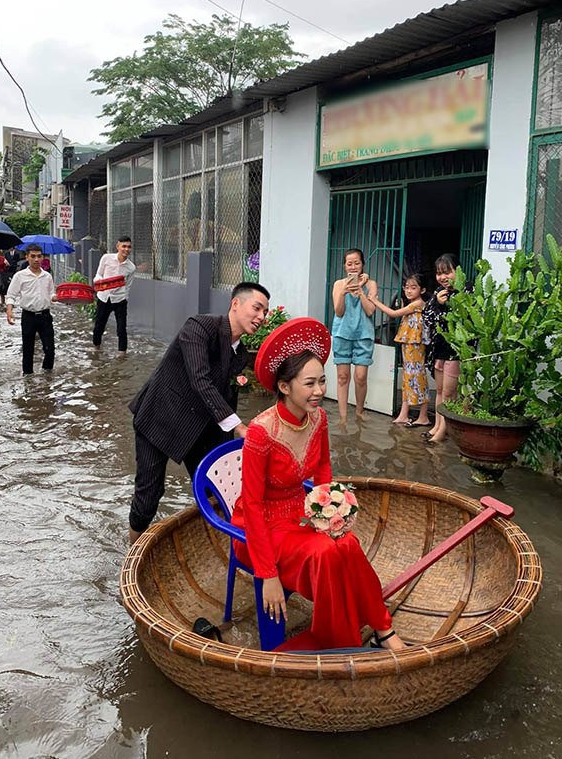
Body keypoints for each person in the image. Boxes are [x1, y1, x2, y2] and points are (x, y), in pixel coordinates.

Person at [231, 318, 405, 652]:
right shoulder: (260, 432)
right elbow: (251, 504)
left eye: (322, 381)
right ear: (285, 387)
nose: (319, 391)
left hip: (302, 511)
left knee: (347, 543)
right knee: (326, 552)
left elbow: (323, 468)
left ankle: (382, 628)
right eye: (309, 384)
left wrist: (329, 510)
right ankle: (338, 640)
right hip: (262, 527)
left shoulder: (319, 419)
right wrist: (267, 575)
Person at [128, 281, 270, 544]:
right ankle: (131, 551)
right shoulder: (200, 327)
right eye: (257, 308)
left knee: (216, 489)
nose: (261, 317)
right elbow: (200, 380)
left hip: (199, 427)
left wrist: (231, 450)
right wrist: (240, 427)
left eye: (265, 312)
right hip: (159, 418)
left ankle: (221, 549)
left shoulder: (239, 355)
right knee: (149, 495)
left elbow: (227, 399)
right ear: (236, 304)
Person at [370, 273, 430, 427]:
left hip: (415, 345)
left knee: (418, 378)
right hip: (409, 344)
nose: (408, 290)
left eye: (413, 287)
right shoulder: (412, 304)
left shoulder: (417, 304)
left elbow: (393, 314)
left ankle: (423, 415)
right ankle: (404, 413)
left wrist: (375, 301)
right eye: (407, 287)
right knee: (408, 377)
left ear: (422, 290)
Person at [331, 248, 377, 424]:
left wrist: (360, 291)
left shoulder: (370, 284)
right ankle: (343, 416)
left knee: (360, 376)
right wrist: (343, 292)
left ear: (363, 264)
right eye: (349, 263)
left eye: (357, 263)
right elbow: (339, 311)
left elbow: (370, 310)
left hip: (363, 335)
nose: (353, 266)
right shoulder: (338, 284)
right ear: (344, 266)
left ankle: (359, 411)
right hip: (342, 333)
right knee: (343, 377)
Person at [422, 253, 462, 444]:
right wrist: (437, 303)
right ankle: (437, 426)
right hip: (438, 348)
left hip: (455, 350)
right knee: (438, 390)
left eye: (447, 272)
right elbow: (427, 317)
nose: (442, 277)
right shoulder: (438, 293)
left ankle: (443, 431)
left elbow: (461, 318)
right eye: (439, 273)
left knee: (448, 393)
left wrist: (446, 306)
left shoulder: (467, 291)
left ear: (457, 271)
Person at [5, 244, 56, 375]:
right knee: (28, 349)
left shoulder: (47, 276)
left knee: (50, 349)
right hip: (28, 316)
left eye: (39, 256)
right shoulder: (20, 276)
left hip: (45, 316)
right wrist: (9, 311)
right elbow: (11, 295)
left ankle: (47, 377)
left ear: (43, 258)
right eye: (33, 256)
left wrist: (61, 298)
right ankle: (28, 379)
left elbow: (51, 294)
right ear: (27, 257)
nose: (36, 259)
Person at [92, 236, 136, 358]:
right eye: (124, 246)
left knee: (121, 329)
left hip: (120, 300)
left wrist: (124, 299)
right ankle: (96, 349)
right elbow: (98, 274)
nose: (126, 249)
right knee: (99, 326)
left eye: (129, 247)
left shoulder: (131, 267)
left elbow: (128, 286)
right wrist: (100, 283)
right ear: (118, 247)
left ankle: (122, 355)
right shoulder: (106, 258)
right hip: (104, 298)